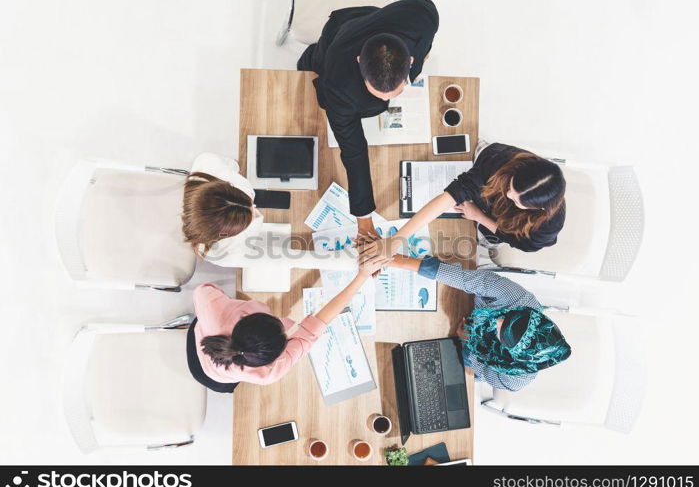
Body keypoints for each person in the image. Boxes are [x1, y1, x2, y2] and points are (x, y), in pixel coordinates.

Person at [297, 0, 439, 236]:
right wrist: (364, 223)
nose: (385, 102)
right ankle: (309, 55)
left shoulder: (423, 13)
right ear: (359, 62)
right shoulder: (337, 83)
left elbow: (425, 37)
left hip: (374, 20)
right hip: (340, 35)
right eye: (378, 94)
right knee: (313, 60)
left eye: (395, 91)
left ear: (411, 61)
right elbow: (354, 151)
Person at [369, 253, 571, 391]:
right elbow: (462, 278)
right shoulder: (516, 297)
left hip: (471, 353)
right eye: (507, 317)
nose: (498, 321)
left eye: (502, 332)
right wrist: (390, 259)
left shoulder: (514, 380)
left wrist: (466, 344)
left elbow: (480, 370)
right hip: (460, 305)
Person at [188, 256, 387, 390]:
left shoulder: (212, 307)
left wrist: (362, 275)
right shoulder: (268, 373)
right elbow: (320, 322)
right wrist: (361, 277)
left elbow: (205, 290)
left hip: (203, 338)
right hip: (212, 375)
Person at [359, 141, 566, 259]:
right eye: (512, 188)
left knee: (490, 233)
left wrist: (480, 217)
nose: (510, 195)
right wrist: (396, 240)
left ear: (538, 209)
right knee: (478, 172)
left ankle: (487, 226)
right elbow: (450, 196)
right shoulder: (502, 162)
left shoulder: (547, 227)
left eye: (519, 201)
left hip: (495, 220)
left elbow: (521, 243)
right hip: (490, 165)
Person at [181, 152, 355, 271]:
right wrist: (357, 263)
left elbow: (232, 165)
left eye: (249, 205)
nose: (256, 211)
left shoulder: (207, 164)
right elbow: (296, 259)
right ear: (225, 234)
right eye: (247, 221)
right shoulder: (221, 252)